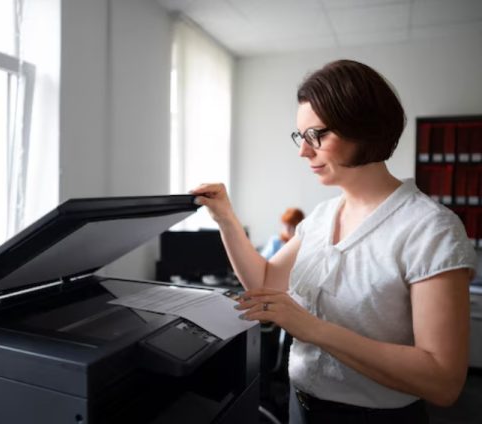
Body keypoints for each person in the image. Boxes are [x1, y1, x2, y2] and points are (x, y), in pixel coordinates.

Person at [191, 59, 476, 423]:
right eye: (301, 136)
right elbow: (264, 283)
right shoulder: (322, 217)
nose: (303, 151)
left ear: (364, 129)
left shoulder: (430, 230)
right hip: (302, 405)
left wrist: (312, 328)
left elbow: (443, 381)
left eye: (317, 136)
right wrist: (226, 219)